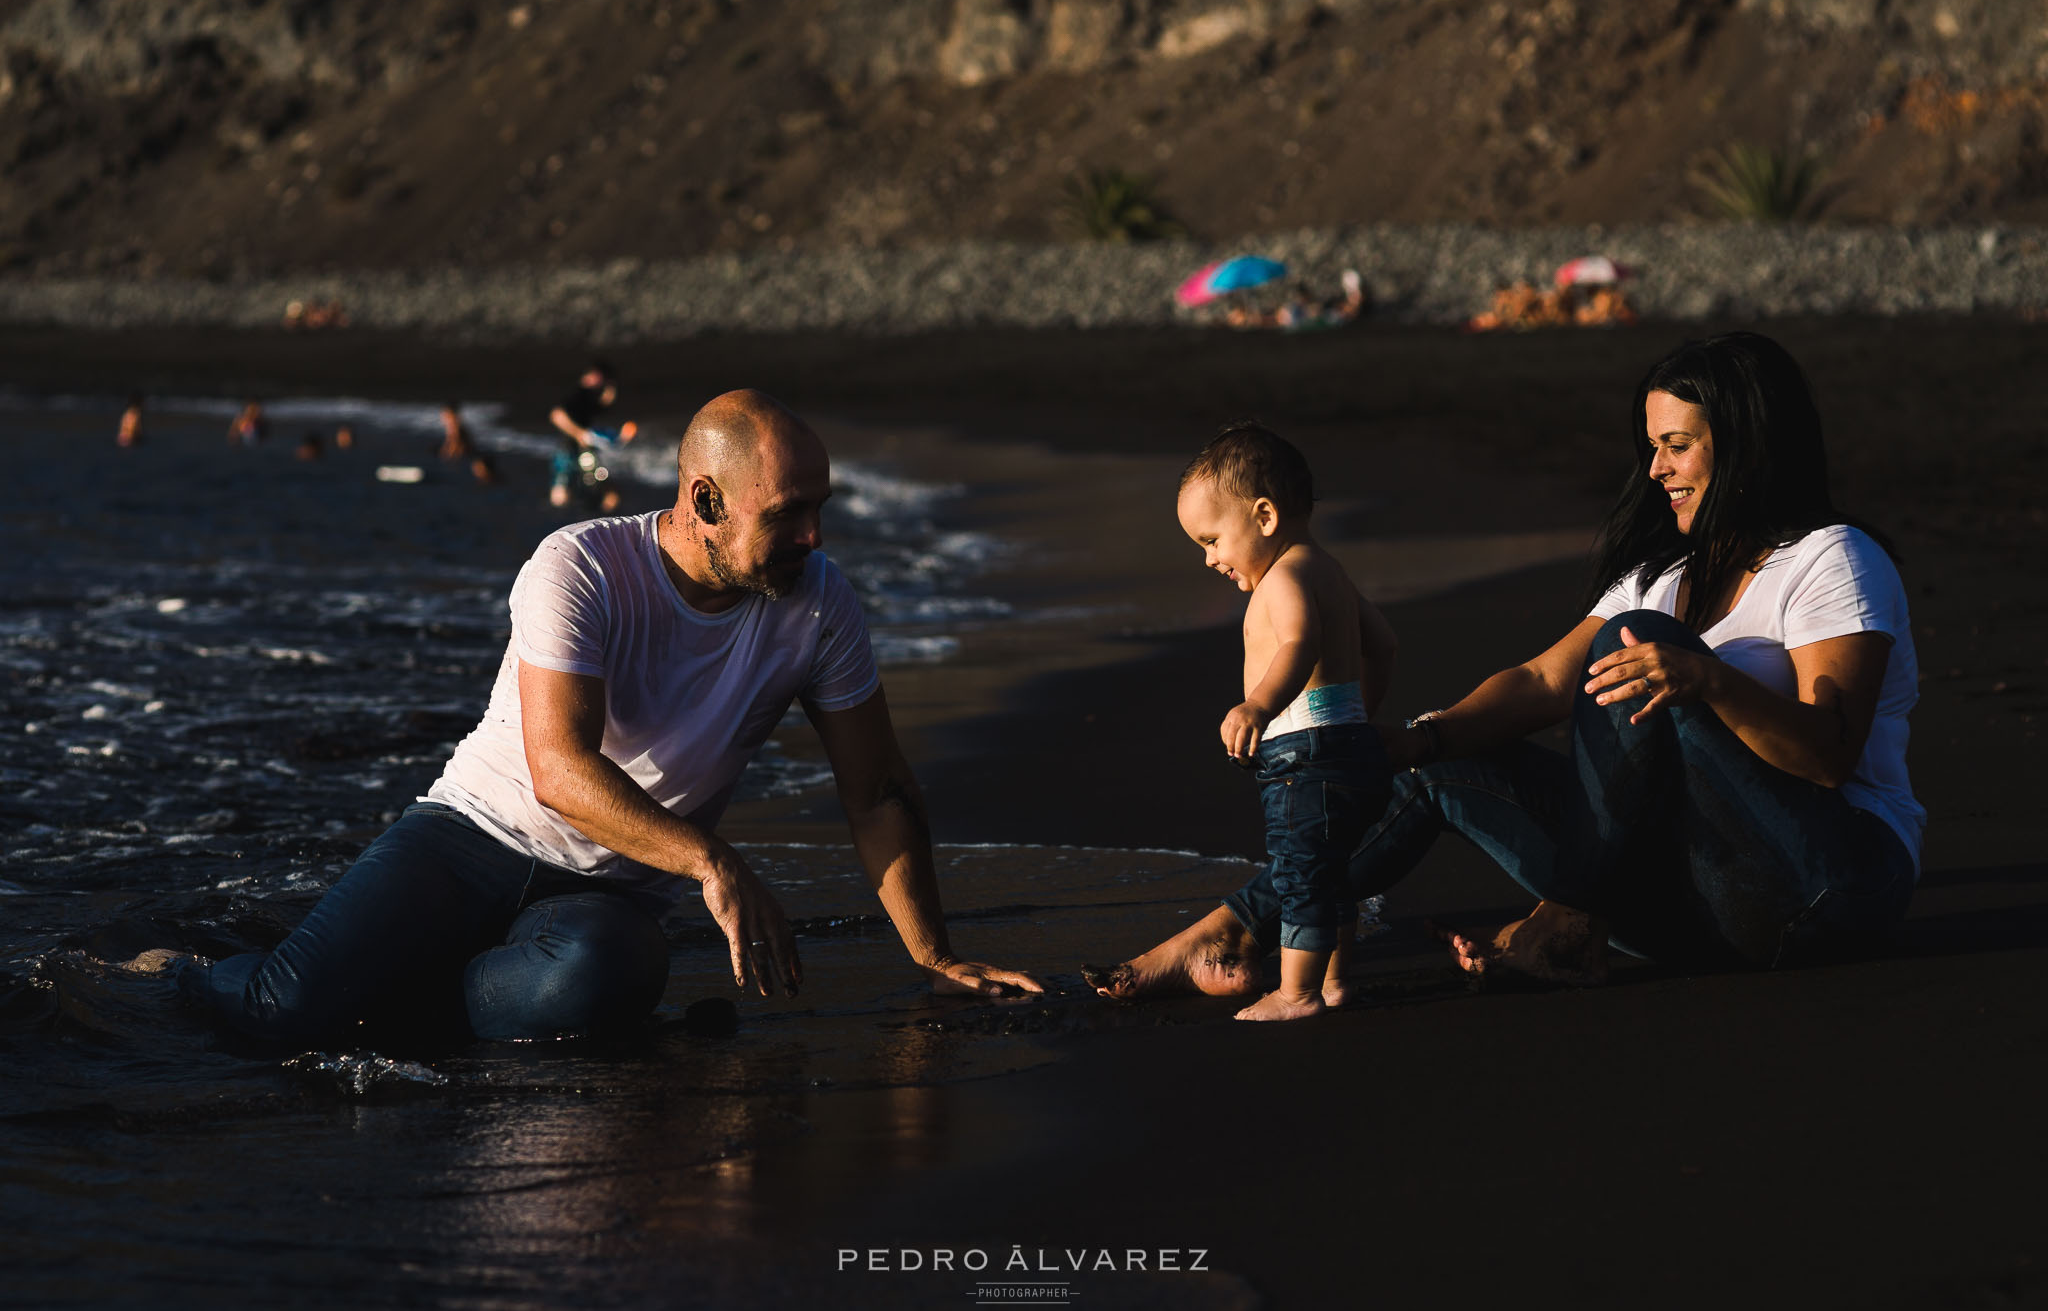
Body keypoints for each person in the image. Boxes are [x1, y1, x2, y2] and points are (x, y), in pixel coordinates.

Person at [153, 389, 1043, 1043]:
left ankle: (399, 994)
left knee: (607, 977)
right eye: (789, 512)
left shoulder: (818, 601)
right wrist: (712, 861)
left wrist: (934, 955)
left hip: (609, 895)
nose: (816, 536)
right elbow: (560, 770)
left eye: (821, 508)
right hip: (468, 837)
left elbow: (878, 787)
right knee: (283, 1013)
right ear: (705, 502)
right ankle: (185, 972)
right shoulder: (578, 566)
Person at [1093, 332, 1920, 996]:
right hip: (1703, 905)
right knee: (1443, 757)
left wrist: (1704, 678)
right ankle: (1242, 927)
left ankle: (1563, 922)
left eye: (1676, 445)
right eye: (1651, 448)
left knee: (1634, 637)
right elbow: (1541, 683)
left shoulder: (1829, 560)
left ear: (1742, 444)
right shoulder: (1666, 575)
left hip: (1830, 887)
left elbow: (1828, 755)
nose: (1656, 469)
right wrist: (1413, 742)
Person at [1148, 423, 1397, 1021]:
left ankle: (1297, 992)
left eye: (1212, 540)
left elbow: (1298, 643)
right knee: (1329, 874)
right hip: (1346, 745)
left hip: (1304, 758)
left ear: (1263, 516)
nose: (1210, 559)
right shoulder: (1328, 570)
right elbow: (1383, 645)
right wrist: (1358, 718)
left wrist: (1258, 704)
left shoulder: (1283, 577)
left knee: (1300, 876)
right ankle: (1333, 982)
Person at [549, 361, 638, 513]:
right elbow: (556, 415)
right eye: (596, 377)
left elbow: (603, 404)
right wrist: (579, 434)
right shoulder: (578, 395)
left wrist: (611, 385)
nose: (598, 381)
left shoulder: (589, 399)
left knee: (601, 487)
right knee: (562, 493)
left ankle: (597, 517)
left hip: (584, 449)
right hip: (570, 449)